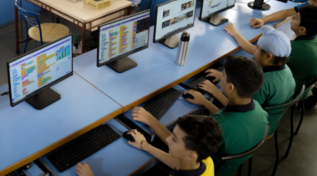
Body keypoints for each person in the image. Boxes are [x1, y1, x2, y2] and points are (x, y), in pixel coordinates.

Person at [183, 56, 268, 176]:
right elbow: (229, 118)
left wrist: (149, 118)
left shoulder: (218, 126)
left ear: (230, 87)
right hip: (232, 165)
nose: (220, 77)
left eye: (222, 76)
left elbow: (185, 148)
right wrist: (206, 101)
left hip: (213, 170)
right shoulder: (259, 109)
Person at [204, 25, 294, 136]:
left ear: (268, 56)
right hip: (268, 121)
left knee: (209, 105)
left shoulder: (262, 84)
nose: (253, 50)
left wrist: (214, 91)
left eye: (256, 48)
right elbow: (251, 49)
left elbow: (242, 110)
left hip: (254, 129)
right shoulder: (285, 69)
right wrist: (235, 33)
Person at [75, 115, 223, 176]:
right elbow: (178, 162)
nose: (168, 140)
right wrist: (145, 145)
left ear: (191, 155)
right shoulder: (206, 162)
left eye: (175, 139)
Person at [286, 5, 317, 92]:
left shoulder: (294, 48)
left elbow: (259, 53)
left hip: (289, 91)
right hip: (305, 89)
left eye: (295, 18)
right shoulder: (314, 40)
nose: (292, 17)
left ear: (302, 29)